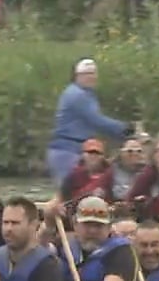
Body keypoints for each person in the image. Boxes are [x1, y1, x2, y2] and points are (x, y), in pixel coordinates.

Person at [47, 58, 135, 189]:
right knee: (71, 193)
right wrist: (125, 129)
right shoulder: (77, 95)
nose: (91, 77)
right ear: (77, 76)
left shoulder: (85, 94)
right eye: (87, 74)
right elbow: (97, 120)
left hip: (75, 150)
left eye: (93, 73)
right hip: (68, 151)